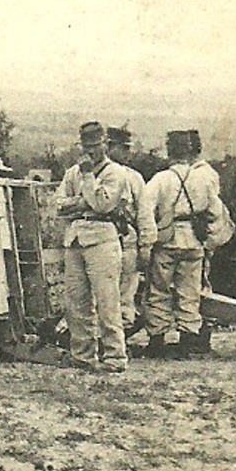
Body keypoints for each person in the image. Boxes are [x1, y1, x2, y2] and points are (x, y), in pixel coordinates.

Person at [139, 130, 229, 358]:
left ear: (170, 151)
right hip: (194, 242)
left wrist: (148, 241)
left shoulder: (161, 179)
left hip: (167, 241)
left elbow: (145, 210)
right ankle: (188, 342)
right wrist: (208, 239)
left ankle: (157, 342)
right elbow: (216, 211)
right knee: (190, 292)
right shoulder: (202, 179)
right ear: (190, 151)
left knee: (159, 291)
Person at [57, 121, 132, 373]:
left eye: (96, 146)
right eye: (86, 146)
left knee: (107, 300)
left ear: (105, 145)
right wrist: (83, 203)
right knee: (76, 301)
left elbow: (102, 206)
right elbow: (58, 204)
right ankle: (83, 355)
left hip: (102, 238)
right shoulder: (72, 173)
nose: (90, 152)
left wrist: (89, 179)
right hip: (76, 238)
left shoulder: (116, 173)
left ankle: (115, 356)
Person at [105, 127, 148, 335]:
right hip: (100, 239)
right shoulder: (94, 174)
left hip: (126, 239)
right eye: (123, 149)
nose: (127, 154)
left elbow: (144, 213)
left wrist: (146, 245)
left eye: (127, 149)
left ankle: (121, 337)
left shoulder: (134, 178)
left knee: (125, 292)